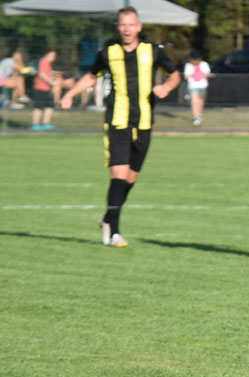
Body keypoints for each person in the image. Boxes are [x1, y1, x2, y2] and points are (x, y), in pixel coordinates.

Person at [60, 7, 180, 248]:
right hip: (117, 121)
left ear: (139, 26)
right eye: (123, 24)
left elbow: (175, 75)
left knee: (131, 177)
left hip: (145, 122)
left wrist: (166, 87)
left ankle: (107, 217)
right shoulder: (107, 53)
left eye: (131, 24)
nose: (127, 29)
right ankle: (114, 232)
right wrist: (70, 93)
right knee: (118, 174)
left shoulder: (153, 51)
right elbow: (91, 76)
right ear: (117, 26)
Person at [30, 49, 57, 131]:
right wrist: (51, 82)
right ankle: (35, 124)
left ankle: (46, 123)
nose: (54, 57)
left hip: (47, 88)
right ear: (46, 54)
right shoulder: (43, 61)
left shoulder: (48, 63)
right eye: (52, 55)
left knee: (50, 106)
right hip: (41, 88)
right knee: (38, 107)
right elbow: (41, 74)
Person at [183, 50, 210, 126]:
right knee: (194, 101)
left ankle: (199, 114)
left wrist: (200, 74)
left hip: (202, 85)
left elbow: (208, 73)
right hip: (193, 86)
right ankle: (196, 116)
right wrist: (193, 74)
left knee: (201, 101)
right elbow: (186, 76)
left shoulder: (204, 64)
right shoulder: (188, 66)